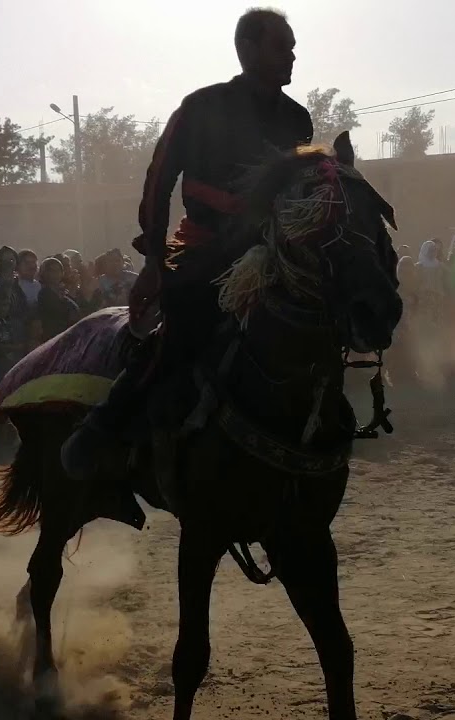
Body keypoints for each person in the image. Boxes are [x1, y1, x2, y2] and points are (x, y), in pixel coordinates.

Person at [60, 7, 314, 485]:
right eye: (283, 45)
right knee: (177, 336)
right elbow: (159, 180)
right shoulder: (201, 107)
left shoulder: (297, 119)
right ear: (248, 49)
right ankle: (105, 425)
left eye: (293, 46)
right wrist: (154, 260)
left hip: (274, 253)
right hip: (205, 251)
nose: (293, 55)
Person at [36, 257, 79, 344]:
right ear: (44, 273)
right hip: (51, 338)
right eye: (51, 270)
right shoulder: (44, 294)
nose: (55, 274)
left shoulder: (64, 293)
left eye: (58, 270)